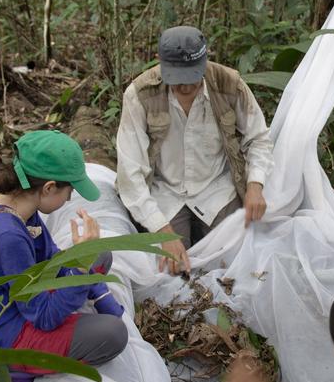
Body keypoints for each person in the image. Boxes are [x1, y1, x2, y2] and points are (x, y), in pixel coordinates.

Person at [0, 131, 127, 382]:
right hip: (4, 332)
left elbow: (50, 256)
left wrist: (104, 300)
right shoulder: (8, 235)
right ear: (49, 187)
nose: (68, 199)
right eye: (70, 191)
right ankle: (19, 370)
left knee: (100, 254)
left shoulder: (16, 202)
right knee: (113, 335)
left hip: (24, 298)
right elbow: (42, 316)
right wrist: (78, 269)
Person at [116, 26, 274, 274]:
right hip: (165, 192)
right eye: (176, 78)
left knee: (230, 264)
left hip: (217, 189)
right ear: (159, 62)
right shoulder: (140, 94)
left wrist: (255, 185)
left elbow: (259, 139)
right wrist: (161, 229)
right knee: (173, 271)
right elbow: (130, 172)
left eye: (192, 76)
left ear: (205, 59)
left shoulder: (229, 85)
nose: (185, 87)